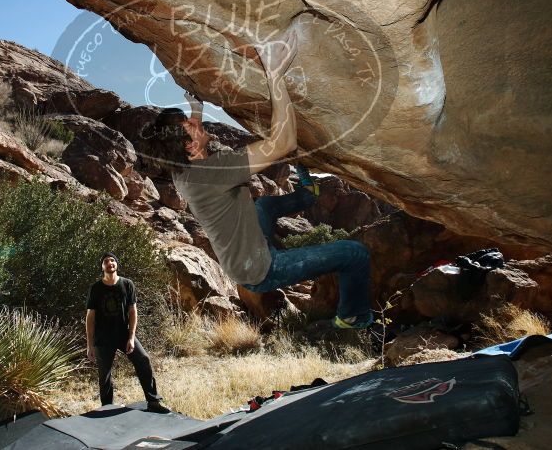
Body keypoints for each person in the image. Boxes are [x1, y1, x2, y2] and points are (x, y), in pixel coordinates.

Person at [143, 28, 373, 329]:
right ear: (189, 145)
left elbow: (191, 135)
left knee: (262, 206)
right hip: (262, 269)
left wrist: (196, 107)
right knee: (355, 254)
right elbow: (284, 142)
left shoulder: (184, 170)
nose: (194, 123)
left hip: (242, 259)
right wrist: (274, 75)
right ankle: (352, 317)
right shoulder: (212, 172)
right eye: (189, 125)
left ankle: (306, 194)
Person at [85, 252, 170, 413]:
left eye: (112, 260)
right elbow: (90, 316)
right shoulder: (95, 288)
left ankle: (153, 401)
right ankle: (107, 408)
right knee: (104, 374)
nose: (110, 263)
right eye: (106, 261)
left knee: (143, 359)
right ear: (102, 267)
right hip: (103, 337)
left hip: (124, 334)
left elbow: (133, 312)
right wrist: (89, 344)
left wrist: (131, 337)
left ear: (116, 264)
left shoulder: (127, 284)